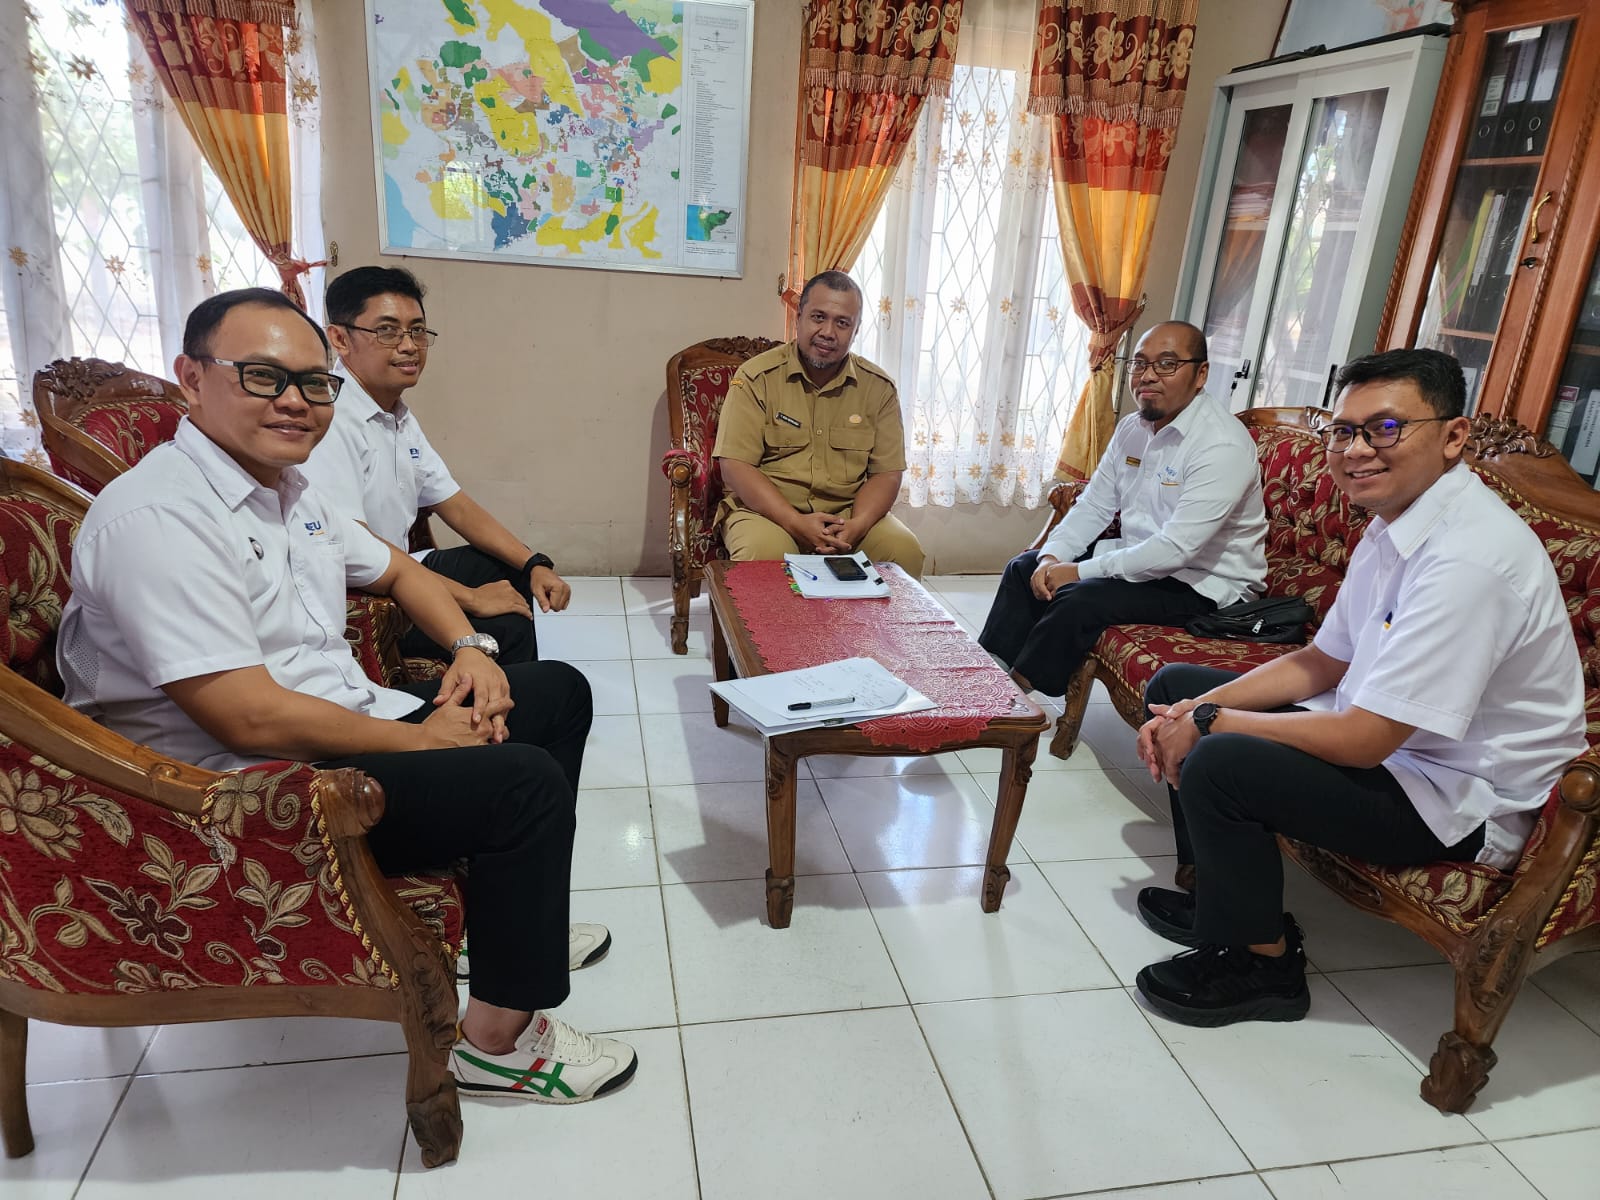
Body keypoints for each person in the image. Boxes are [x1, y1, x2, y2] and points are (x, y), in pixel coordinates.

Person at [57, 288, 636, 1102]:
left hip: (339, 728)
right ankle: (495, 1043)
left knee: (555, 695)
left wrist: (471, 652)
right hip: (243, 794)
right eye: (263, 377)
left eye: (313, 382)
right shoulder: (159, 517)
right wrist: (422, 739)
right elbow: (245, 715)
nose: (295, 401)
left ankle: (495, 927)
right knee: (523, 783)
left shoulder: (290, 490)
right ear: (191, 378)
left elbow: (401, 571)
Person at [1132, 348, 1586, 1028]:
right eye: (1344, 431)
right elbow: (1323, 660)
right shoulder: (1396, 521)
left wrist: (1208, 724)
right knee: (1178, 686)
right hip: (1400, 746)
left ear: (1454, 436)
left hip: (1460, 800)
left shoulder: (1471, 560)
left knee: (1220, 758)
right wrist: (1198, 708)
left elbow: (1365, 741)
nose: (1356, 450)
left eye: (1386, 428)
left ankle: (1265, 964)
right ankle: (1220, 899)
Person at [978, 321, 1267, 696]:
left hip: (1205, 584)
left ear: (1201, 374)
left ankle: (1015, 702)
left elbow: (1176, 549)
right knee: (1024, 569)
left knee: (1079, 598)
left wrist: (1078, 571)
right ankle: (985, 680)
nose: (1148, 376)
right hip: (1145, 561)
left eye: (1167, 364)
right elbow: (1095, 505)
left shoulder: (1221, 445)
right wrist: (1052, 557)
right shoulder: (1133, 428)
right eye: (1140, 363)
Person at [300, 266, 567, 666]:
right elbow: (356, 550)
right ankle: (506, 697)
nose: (409, 346)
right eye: (387, 331)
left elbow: (454, 503)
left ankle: (513, 688)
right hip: (364, 594)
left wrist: (534, 562)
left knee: (507, 571)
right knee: (506, 628)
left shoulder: (396, 414)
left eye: (418, 331)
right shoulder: (331, 420)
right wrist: (471, 598)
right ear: (339, 338)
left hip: (401, 568)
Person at [711, 270, 925, 576]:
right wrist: (795, 522)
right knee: (763, 555)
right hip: (767, 515)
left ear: (856, 330)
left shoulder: (878, 388)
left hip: (848, 516)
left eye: (842, 323)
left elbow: (887, 473)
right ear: (798, 317)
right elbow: (736, 466)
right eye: (818, 317)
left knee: (903, 550)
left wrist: (858, 525)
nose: (828, 332)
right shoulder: (757, 378)